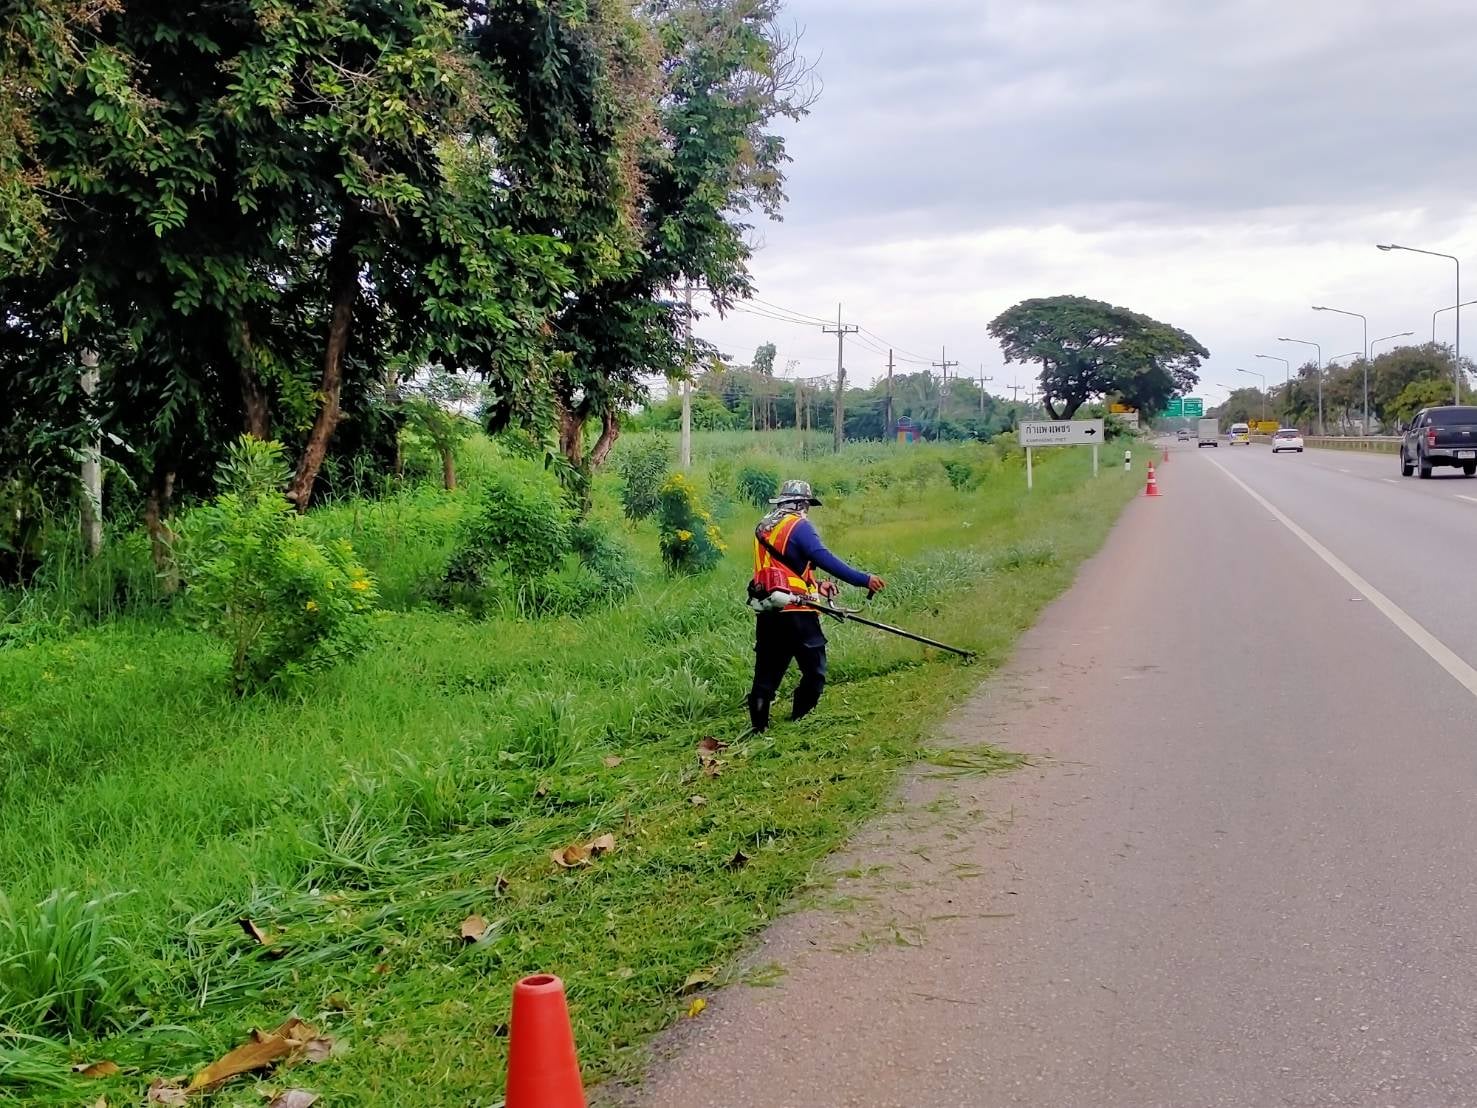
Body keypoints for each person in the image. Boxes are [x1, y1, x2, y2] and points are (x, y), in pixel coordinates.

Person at [747, 479, 885, 732]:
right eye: (807, 505)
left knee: (766, 673)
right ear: (801, 504)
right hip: (798, 612)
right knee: (815, 670)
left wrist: (817, 584)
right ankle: (801, 718)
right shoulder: (798, 525)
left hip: (769, 608)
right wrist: (863, 579)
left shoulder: (764, 527)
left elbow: (782, 568)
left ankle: (759, 728)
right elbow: (823, 557)